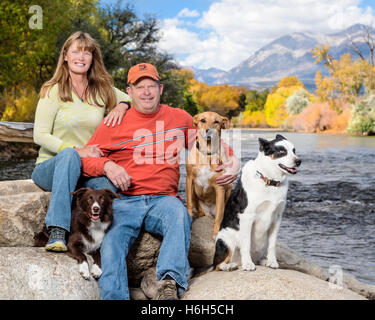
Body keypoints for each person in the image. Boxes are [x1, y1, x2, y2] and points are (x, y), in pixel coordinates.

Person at [80, 62, 240, 300]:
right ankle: (114, 296)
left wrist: (234, 161)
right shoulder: (113, 122)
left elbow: (208, 142)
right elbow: (85, 158)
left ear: (160, 89)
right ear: (130, 91)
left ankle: (168, 286)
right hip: (125, 200)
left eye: (151, 86)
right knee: (111, 238)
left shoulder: (179, 117)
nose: (146, 92)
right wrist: (107, 165)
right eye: (140, 86)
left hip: (164, 199)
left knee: (180, 216)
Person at [31, 31, 131, 252]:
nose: (81, 57)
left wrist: (122, 105)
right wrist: (79, 150)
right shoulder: (53, 91)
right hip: (52, 167)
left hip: (86, 172)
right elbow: (40, 135)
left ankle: (105, 244)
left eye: (87, 52)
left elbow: (130, 97)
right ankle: (58, 230)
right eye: (76, 51)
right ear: (65, 55)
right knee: (69, 155)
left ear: (93, 58)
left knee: (109, 189)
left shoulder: (102, 90)